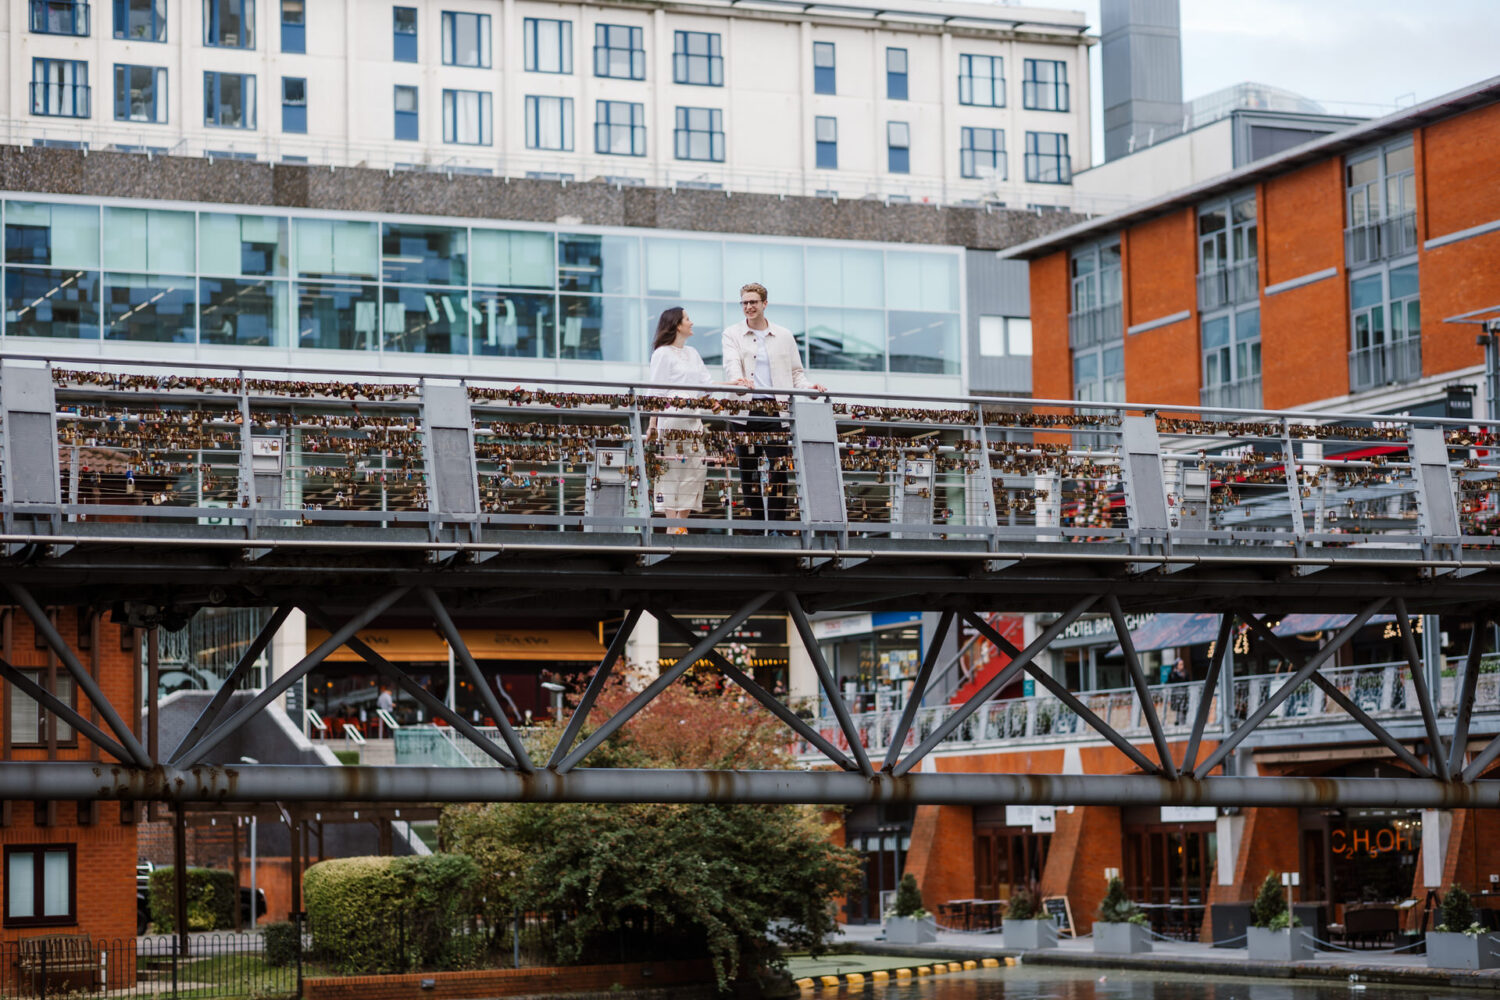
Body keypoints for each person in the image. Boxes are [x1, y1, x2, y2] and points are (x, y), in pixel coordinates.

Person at [720, 282, 825, 528]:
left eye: (753, 302)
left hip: (775, 411)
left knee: (779, 470)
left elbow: (796, 373)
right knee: (749, 470)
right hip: (744, 412)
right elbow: (731, 363)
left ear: (764, 304)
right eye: (744, 303)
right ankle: (758, 527)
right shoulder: (731, 334)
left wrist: (809, 388)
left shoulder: (784, 336)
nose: (748, 307)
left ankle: (778, 526)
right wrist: (738, 381)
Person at [648, 307, 736, 534]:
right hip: (673, 419)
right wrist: (652, 424)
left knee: (695, 469)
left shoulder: (693, 353)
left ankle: (681, 523)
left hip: (694, 418)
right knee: (671, 469)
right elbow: (656, 393)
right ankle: (672, 525)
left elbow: (706, 384)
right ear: (677, 324)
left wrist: (735, 384)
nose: (692, 323)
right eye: (688, 319)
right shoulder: (662, 353)